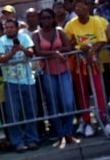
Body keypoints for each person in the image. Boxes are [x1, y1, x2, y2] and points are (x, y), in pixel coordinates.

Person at [63, 0, 110, 137]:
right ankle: (87, 122)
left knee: (98, 91)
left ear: (88, 8)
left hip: (94, 62)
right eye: (77, 8)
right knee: (82, 93)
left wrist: (91, 48)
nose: (80, 10)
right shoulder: (70, 24)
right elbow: (67, 43)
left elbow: (102, 40)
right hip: (78, 64)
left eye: (83, 7)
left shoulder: (96, 21)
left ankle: (104, 120)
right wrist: (78, 47)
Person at [31, 8, 76, 146]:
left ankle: (68, 132)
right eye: (43, 18)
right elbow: (37, 51)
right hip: (48, 72)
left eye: (48, 17)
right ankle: (60, 133)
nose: (46, 20)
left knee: (68, 103)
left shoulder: (59, 31)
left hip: (63, 71)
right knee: (53, 104)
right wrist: (54, 54)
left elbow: (68, 47)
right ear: (40, 20)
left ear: (53, 18)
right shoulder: (36, 35)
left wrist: (54, 52)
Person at [0, 18, 39, 151]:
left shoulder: (24, 37)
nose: (8, 29)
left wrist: (22, 49)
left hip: (28, 80)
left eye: (11, 27)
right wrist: (12, 53)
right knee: (13, 113)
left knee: (31, 111)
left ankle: (32, 139)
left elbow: (31, 53)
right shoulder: (0, 41)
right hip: (10, 82)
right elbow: (0, 58)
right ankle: (18, 142)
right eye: (6, 27)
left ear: (17, 28)